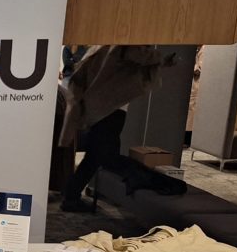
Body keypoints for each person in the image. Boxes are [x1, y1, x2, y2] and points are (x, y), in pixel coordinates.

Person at [59, 45, 176, 212]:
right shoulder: (122, 45)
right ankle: (151, 182)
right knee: (103, 157)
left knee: (98, 156)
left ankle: (71, 195)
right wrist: (161, 58)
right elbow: (140, 56)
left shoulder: (103, 49)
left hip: (103, 109)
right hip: (110, 110)